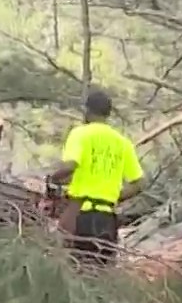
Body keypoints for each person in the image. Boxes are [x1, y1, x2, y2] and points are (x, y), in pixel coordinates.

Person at [48, 88, 143, 265]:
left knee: (71, 268)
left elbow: (70, 166)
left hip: (80, 213)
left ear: (87, 111)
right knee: (100, 271)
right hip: (107, 218)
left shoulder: (80, 134)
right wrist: (113, 196)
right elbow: (137, 184)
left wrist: (53, 178)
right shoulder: (122, 142)